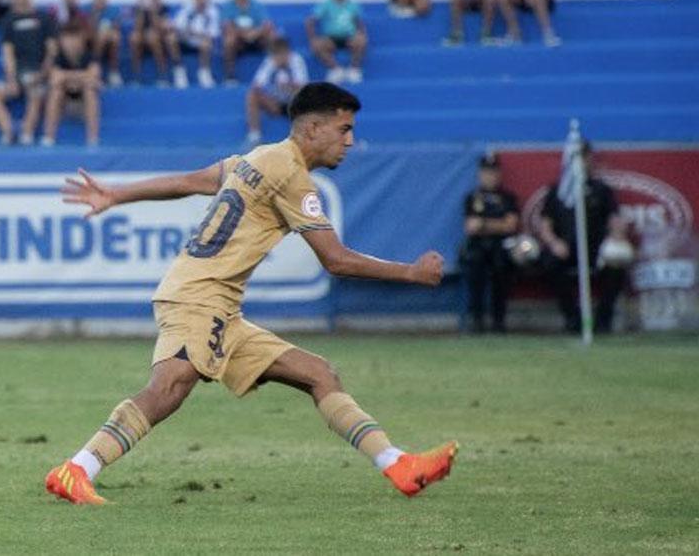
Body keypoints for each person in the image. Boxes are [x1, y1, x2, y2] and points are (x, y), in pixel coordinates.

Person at [44, 82, 457, 505]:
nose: (350, 140)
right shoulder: (292, 177)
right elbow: (335, 259)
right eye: (344, 129)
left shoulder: (257, 158)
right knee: (169, 388)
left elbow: (191, 180)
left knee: (318, 374)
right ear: (313, 129)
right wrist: (409, 272)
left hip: (219, 308)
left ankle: (397, 464)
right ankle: (78, 468)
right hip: (199, 298)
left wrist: (117, 194)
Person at [536, 142, 626, 333]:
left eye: (584, 157)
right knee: (549, 262)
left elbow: (615, 220)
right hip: (566, 249)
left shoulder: (601, 190)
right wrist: (554, 243)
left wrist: (615, 238)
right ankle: (572, 317)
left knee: (617, 263)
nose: (581, 162)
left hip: (595, 248)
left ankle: (603, 319)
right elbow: (545, 226)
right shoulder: (559, 191)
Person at [0, 0, 57, 146]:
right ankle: (8, 131)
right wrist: (11, 79)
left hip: (38, 73)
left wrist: (42, 74)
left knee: (36, 93)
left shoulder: (44, 18)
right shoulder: (7, 21)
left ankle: (27, 133)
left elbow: (52, 51)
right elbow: (7, 52)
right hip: (17, 73)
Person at [460, 154, 519, 333]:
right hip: (477, 247)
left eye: (493, 172)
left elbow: (511, 225)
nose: (490, 176)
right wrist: (497, 224)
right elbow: (471, 227)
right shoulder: (473, 197)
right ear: (480, 174)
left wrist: (484, 224)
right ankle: (477, 319)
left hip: (501, 247)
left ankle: (498, 321)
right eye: (486, 172)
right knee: (474, 268)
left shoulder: (508, 197)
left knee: (501, 269)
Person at [41, 21, 101, 147]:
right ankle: (49, 136)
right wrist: (79, 77)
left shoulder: (90, 55)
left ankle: (93, 137)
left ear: (82, 39)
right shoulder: (59, 57)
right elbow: (54, 79)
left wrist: (67, 77)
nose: (71, 43)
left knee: (90, 90)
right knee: (55, 91)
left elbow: (94, 77)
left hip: (83, 96)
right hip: (65, 97)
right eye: (67, 39)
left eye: (74, 38)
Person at [306, 0, 366, 84]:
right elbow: (310, 21)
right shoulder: (326, 4)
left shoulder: (353, 5)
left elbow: (359, 22)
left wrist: (362, 34)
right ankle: (335, 69)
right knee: (317, 45)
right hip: (330, 38)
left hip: (349, 37)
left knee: (361, 40)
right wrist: (313, 38)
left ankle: (354, 69)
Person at [245, 37, 308, 145]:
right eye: (277, 55)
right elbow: (257, 86)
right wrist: (273, 73)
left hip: (293, 104)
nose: (280, 58)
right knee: (252, 95)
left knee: (306, 96)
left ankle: (305, 133)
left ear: (288, 53)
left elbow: (303, 86)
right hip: (275, 104)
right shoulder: (269, 62)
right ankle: (254, 134)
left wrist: (289, 86)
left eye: (282, 54)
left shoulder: (297, 60)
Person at [220, 0, 275, 85]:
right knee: (229, 40)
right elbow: (227, 26)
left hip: (256, 39)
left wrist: (254, 33)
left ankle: (273, 74)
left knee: (272, 36)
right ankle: (230, 76)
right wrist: (244, 34)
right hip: (239, 42)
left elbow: (267, 24)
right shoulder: (227, 6)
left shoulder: (257, 5)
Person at [167, 0, 219, 88]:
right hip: (186, 41)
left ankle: (204, 73)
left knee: (206, 42)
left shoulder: (213, 11)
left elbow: (212, 34)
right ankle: (179, 72)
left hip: (201, 43)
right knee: (171, 38)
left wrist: (193, 33)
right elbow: (176, 27)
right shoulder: (186, 8)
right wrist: (187, 32)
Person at [129, 0, 172, 86]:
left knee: (152, 36)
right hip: (143, 35)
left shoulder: (163, 6)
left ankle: (162, 75)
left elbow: (161, 27)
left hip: (159, 37)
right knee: (134, 38)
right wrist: (141, 10)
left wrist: (153, 9)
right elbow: (137, 27)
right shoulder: (140, 4)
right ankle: (136, 76)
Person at [84, 0, 122, 86]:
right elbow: (85, 29)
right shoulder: (85, 8)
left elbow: (116, 28)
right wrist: (96, 12)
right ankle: (94, 70)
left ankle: (113, 72)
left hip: (107, 40)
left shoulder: (114, 9)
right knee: (100, 36)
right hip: (89, 40)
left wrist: (105, 33)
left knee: (114, 36)